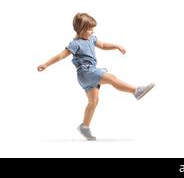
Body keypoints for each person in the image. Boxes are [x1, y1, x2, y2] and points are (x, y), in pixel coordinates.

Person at [37, 12, 155, 141]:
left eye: (93, 29)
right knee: (111, 78)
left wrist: (116, 46)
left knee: (93, 102)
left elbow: (103, 45)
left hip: (88, 75)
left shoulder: (91, 39)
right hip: (85, 72)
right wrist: (46, 64)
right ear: (80, 29)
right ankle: (136, 90)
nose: (92, 31)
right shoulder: (75, 44)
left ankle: (84, 127)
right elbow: (61, 56)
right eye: (89, 29)